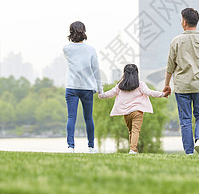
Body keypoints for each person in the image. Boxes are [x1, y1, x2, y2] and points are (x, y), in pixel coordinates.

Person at [163, 8, 199, 155]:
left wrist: (167, 85)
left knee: (185, 119)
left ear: (184, 22)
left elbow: (170, 66)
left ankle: (189, 152)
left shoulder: (176, 41)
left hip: (182, 86)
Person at [98, 64, 167, 154]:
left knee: (131, 131)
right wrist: (162, 94)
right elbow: (149, 92)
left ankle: (133, 149)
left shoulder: (120, 85)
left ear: (124, 73)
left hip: (126, 113)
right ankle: (133, 149)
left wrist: (100, 94)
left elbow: (110, 93)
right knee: (135, 130)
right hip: (137, 111)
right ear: (136, 73)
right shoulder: (140, 84)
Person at [63, 21, 103, 153]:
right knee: (88, 118)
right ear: (84, 31)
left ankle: (70, 147)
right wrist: (100, 88)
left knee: (71, 117)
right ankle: (91, 147)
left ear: (71, 32)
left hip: (72, 87)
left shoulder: (66, 49)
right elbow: (96, 69)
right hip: (87, 88)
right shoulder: (90, 50)